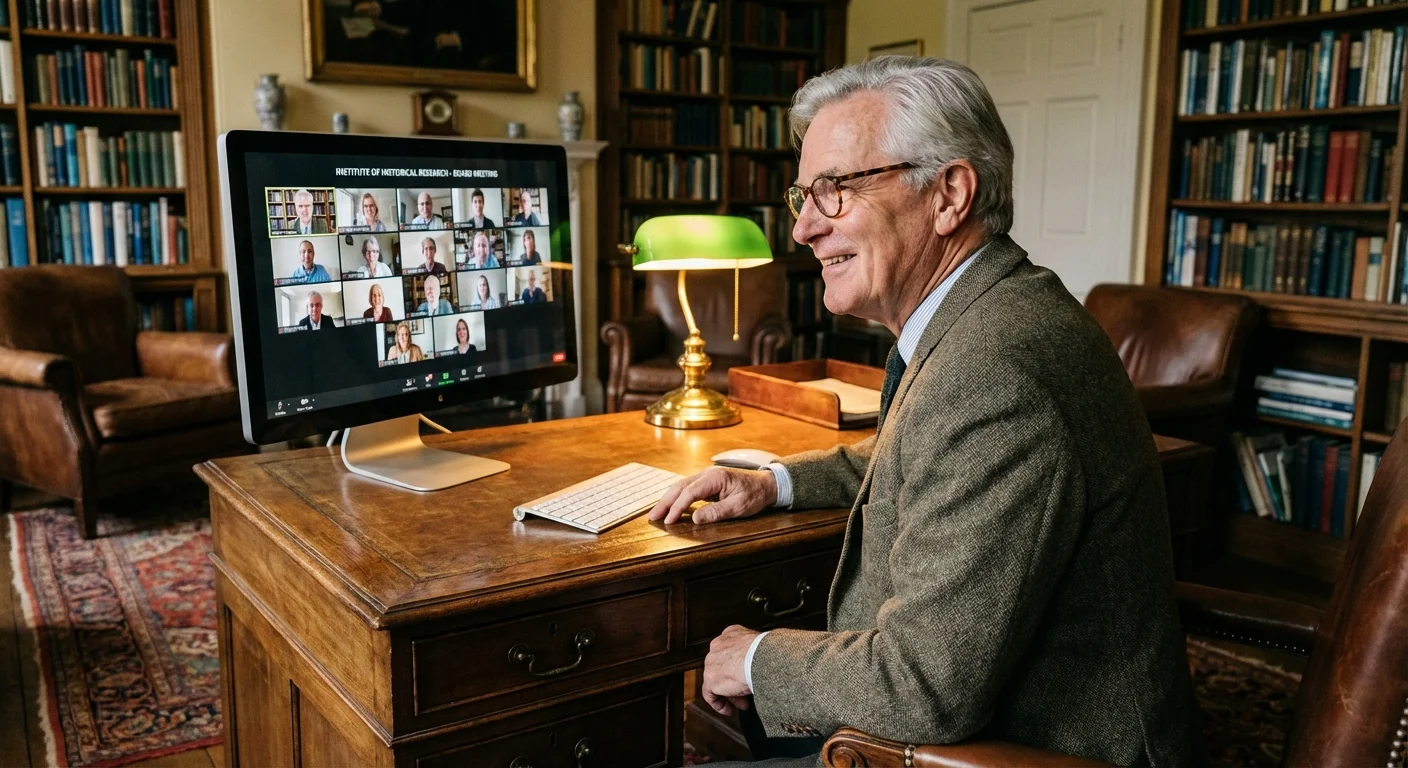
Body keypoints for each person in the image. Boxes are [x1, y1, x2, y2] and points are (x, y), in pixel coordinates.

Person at [648, 57, 1200, 766]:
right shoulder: (996, 309)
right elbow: (920, 453)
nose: (804, 230)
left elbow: (923, 688)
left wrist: (756, 660)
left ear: (949, 194)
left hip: (1042, 751)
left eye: (836, 190)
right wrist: (774, 482)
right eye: (803, 196)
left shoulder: (994, 369)